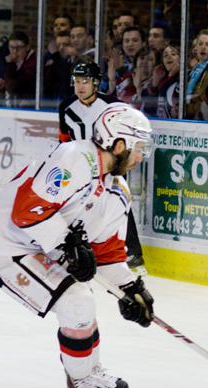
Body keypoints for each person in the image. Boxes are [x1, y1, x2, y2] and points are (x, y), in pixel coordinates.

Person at [0, 105, 155, 388]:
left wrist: (131, 288)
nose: (141, 157)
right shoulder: (75, 159)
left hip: (42, 247)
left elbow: (107, 253)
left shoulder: (118, 191)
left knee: (83, 301)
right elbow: (26, 211)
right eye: (139, 148)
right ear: (119, 144)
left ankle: (90, 370)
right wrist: (68, 241)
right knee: (77, 301)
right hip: (6, 246)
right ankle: (78, 378)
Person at [58, 62, 147, 275]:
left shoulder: (113, 105)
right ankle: (79, 251)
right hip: (81, 167)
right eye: (77, 81)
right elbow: (64, 138)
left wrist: (123, 160)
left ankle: (133, 254)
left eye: (85, 81)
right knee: (78, 207)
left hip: (109, 164)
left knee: (118, 206)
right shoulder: (66, 106)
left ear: (96, 83)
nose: (80, 86)